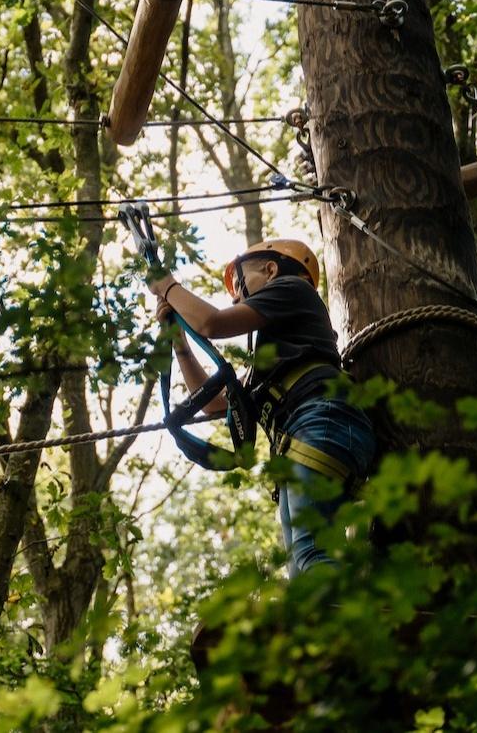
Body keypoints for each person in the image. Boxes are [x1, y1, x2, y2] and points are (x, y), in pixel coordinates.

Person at [150, 239, 376, 578]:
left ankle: (347, 626)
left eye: (240, 284)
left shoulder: (293, 288)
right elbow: (214, 404)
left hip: (319, 422)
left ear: (271, 269)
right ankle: (334, 625)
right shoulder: (269, 364)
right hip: (309, 436)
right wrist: (179, 342)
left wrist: (167, 285)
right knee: (302, 569)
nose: (235, 297)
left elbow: (212, 323)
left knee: (310, 553)